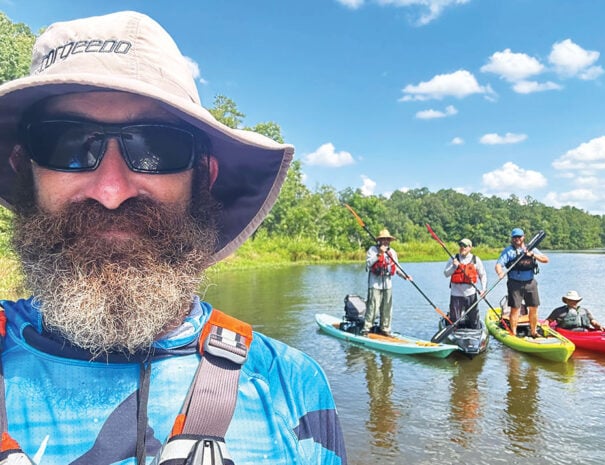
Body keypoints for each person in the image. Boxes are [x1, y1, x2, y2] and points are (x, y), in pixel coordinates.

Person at [0, 11, 346, 465]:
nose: (111, 191)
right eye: (66, 145)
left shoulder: (290, 385)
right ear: (24, 168)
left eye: (156, 149)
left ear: (203, 177)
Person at [494, 228, 548, 338]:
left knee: (533, 308)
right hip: (515, 283)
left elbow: (545, 259)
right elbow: (498, 265)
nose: (517, 239)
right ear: (512, 239)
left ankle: (533, 331)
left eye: (519, 237)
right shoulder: (508, 251)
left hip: (530, 282)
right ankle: (513, 332)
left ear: (523, 237)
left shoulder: (532, 249)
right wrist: (500, 273)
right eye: (515, 237)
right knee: (515, 309)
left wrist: (533, 255)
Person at [363, 229, 410, 337]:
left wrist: (405, 276)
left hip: (388, 285)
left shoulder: (392, 252)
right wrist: (379, 254)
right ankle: (366, 328)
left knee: (387, 308)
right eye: (383, 239)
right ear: (379, 241)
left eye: (387, 240)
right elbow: (368, 264)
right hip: (374, 285)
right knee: (373, 308)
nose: (385, 241)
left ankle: (385, 329)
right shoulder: (372, 250)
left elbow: (397, 267)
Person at [443, 238, 487, 329]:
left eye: (465, 246)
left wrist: (483, 289)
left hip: (471, 295)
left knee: (474, 320)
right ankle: (454, 333)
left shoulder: (476, 259)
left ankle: (475, 333)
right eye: (461, 246)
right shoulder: (453, 259)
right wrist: (454, 267)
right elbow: (446, 274)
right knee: (454, 320)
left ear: (470, 247)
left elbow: (483, 275)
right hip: (456, 295)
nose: (462, 248)